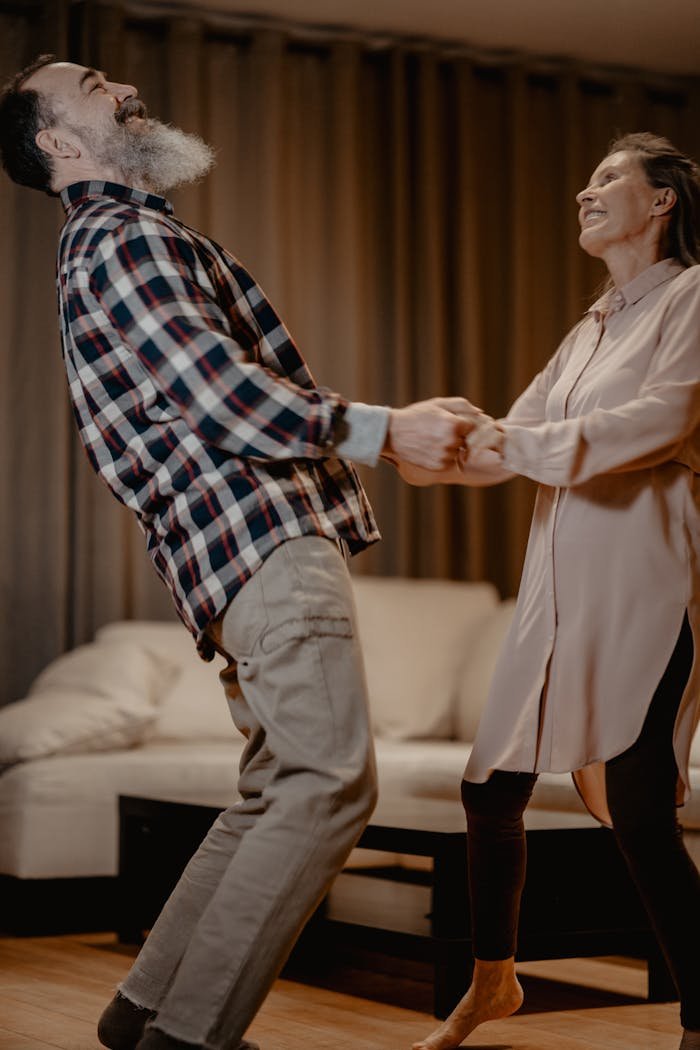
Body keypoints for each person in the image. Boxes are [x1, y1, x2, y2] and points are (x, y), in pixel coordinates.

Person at [0, 56, 480, 1050]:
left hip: (226, 561)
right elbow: (218, 394)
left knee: (277, 788)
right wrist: (386, 431)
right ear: (57, 142)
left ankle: (141, 1015)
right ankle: (192, 1039)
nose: (122, 83)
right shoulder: (124, 237)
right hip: (263, 543)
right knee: (328, 784)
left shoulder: (110, 243)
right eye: (92, 83)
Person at [395, 134, 700, 1050]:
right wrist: (437, 443)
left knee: (639, 809)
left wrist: (504, 445)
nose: (583, 190)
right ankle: (495, 984)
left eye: (609, 177)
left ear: (663, 204)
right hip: (553, 588)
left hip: (645, 580)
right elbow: (513, 434)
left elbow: (661, 420)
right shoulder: (590, 326)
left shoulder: (692, 297)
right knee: (491, 787)